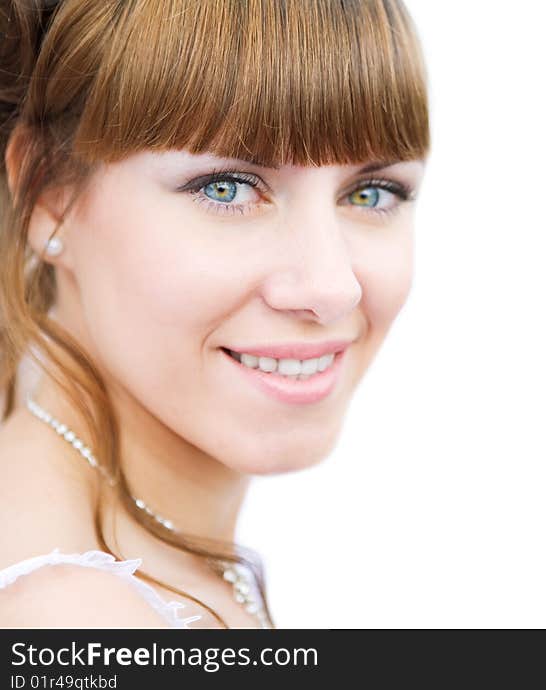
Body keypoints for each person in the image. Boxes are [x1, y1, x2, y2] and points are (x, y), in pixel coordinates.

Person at [0, 0, 430, 628]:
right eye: (226, 187)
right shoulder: (77, 619)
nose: (331, 287)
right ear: (50, 194)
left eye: (371, 193)